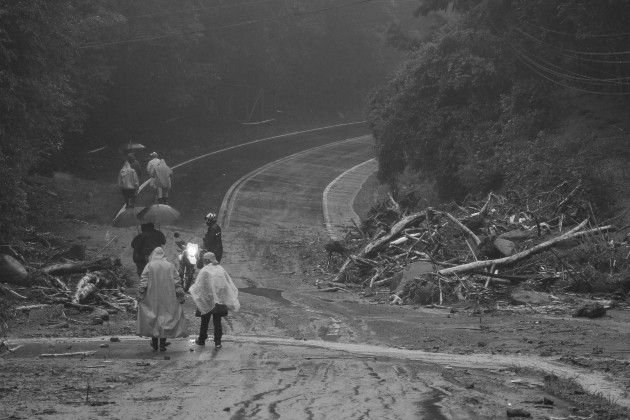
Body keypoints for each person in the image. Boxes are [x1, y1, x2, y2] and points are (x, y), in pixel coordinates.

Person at [137, 247, 189, 351]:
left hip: (152, 297)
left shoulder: (149, 266)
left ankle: (155, 343)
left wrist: (140, 294)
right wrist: (180, 295)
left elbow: (143, 281)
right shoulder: (170, 266)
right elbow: (177, 281)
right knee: (166, 318)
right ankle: (162, 344)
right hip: (168, 297)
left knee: (153, 317)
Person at [189, 252, 239, 349]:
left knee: (205, 321)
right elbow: (226, 284)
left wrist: (196, 293)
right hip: (218, 300)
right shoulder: (221, 269)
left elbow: (199, 285)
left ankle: (202, 340)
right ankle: (218, 342)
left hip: (207, 299)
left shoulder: (205, 271)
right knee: (217, 321)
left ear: (206, 260)